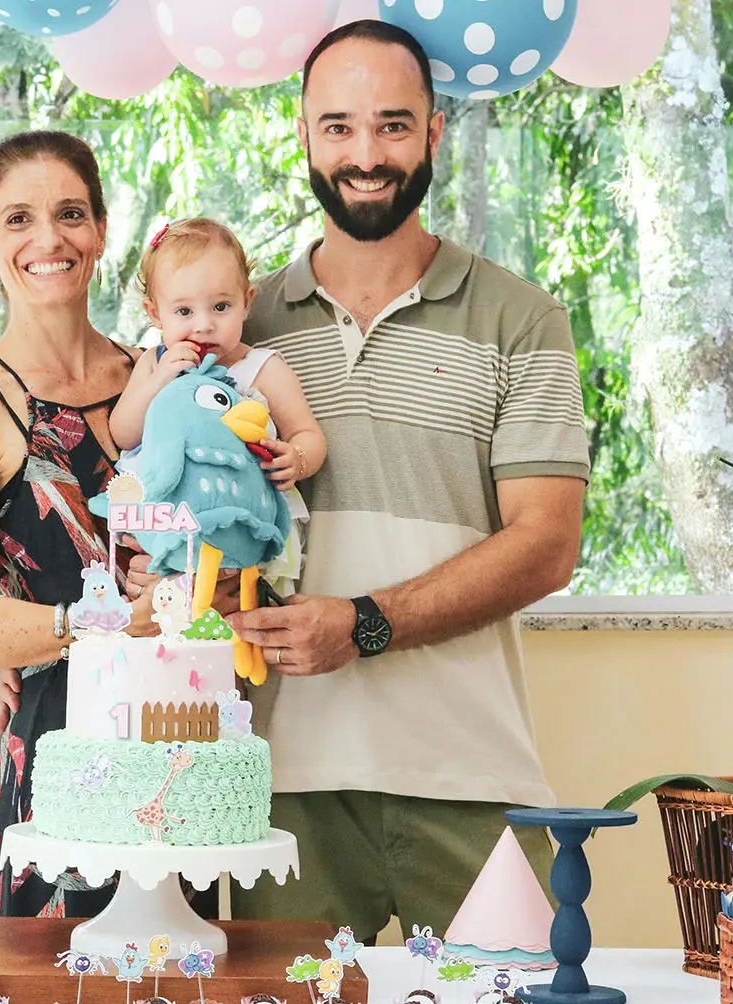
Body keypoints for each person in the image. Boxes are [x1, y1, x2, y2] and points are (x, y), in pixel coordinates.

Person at [225, 21, 591, 939]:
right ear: (303, 136)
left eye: (392, 125)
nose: (365, 155)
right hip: (282, 787)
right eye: (339, 127)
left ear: (432, 133)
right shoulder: (240, 331)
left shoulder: (522, 320)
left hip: (472, 776)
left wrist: (365, 622)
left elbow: (546, 545)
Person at [0, 130, 159, 918]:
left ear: (99, 230)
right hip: (54, 748)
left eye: (69, 214)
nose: (48, 239)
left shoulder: (163, 385)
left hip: (175, 741)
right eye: (18, 219)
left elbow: (220, 553)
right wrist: (113, 624)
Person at [109, 217, 328, 598]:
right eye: (183, 312)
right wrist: (160, 379)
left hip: (243, 525)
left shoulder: (262, 369)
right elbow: (122, 433)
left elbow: (308, 433)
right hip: (172, 522)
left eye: (221, 306)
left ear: (247, 302)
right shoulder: (153, 363)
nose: (204, 325)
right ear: (154, 313)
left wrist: (297, 458)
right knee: (163, 607)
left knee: (247, 614)